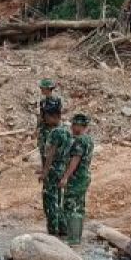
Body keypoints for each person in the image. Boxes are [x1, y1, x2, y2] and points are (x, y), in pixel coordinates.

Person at [59, 114, 93, 246]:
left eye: (74, 125)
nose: (72, 128)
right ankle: (76, 238)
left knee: (71, 207)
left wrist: (65, 177)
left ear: (80, 126)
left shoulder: (80, 141)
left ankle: (73, 239)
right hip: (83, 177)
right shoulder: (88, 140)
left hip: (76, 178)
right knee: (79, 208)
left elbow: (75, 160)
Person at [39, 106, 71, 236]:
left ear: (55, 117)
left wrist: (45, 171)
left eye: (47, 117)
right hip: (62, 168)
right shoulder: (67, 132)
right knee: (58, 200)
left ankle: (52, 231)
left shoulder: (55, 132)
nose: (46, 120)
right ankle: (63, 230)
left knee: (50, 201)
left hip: (53, 169)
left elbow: (51, 153)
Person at [36, 78, 63, 166]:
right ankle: (44, 167)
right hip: (44, 127)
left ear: (48, 89)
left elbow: (57, 115)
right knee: (42, 147)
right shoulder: (43, 101)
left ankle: (52, 167)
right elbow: (41, 114)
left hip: (52, 127)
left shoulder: (56, 100)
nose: (41, 90)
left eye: (43, 88)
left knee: (52, 148)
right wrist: (37, 127)